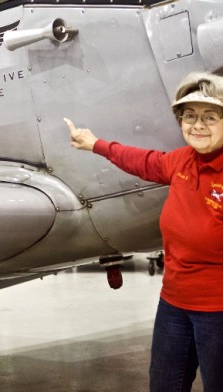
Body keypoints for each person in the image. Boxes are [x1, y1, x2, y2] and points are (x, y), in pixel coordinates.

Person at [65, 71, 223, 391]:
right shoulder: (180, 162)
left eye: (210, 116)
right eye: (189, 116)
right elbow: (143, 161)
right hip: (174, 304)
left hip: (218, 311)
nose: (198, 125)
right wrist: (95, 144)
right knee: (164, 384)